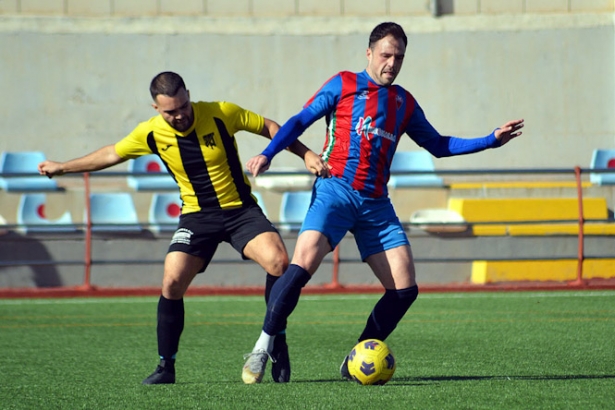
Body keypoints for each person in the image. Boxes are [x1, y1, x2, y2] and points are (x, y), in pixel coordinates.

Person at [241, 21, 524, 383]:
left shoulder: (403, 102)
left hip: (376, 204)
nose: (392, 63)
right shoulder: (343, 83)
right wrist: (268, 153)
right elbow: (298, 121)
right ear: (369, 53)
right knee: (302, 265)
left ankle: (356, 357)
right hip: (335, 190)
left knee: (405, 289)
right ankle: (265, 344)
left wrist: (490, 140)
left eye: (400, 57)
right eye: (386, 54)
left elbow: (438, 145)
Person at [38, 71, 328, 385]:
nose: (180, 115)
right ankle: (166, 367)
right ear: (156, 109)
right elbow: (112, 153)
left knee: (279, 262)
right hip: (196, 217)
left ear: (189, 95)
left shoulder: (220, 112)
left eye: (183, 106)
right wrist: (63, 167)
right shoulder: (150, 133)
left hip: (240, 210)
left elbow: (271, 126)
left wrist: (306, 153)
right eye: (170, 112)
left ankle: (276, 343)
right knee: (172, 280)